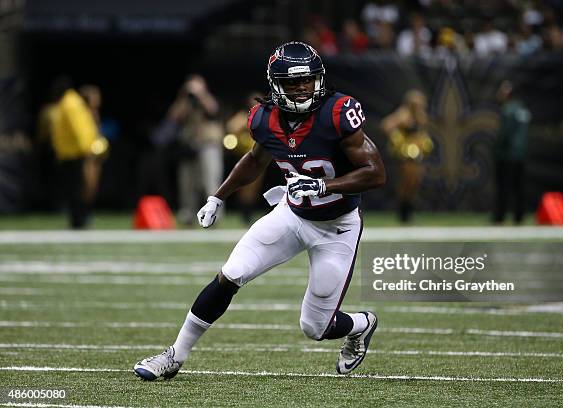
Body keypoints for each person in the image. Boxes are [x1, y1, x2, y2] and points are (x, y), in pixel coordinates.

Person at [133, 41, 386, 380]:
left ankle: (361, 324)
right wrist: (218, 196)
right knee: (231, 273)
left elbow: (376, 173)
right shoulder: (264, 119)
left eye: (308, 80)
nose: (302, 88)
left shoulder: (337, 113)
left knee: (315, 327)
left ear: (319, 79)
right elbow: (255, 159)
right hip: (292, 214)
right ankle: (174, 355)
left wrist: (325, 186)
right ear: (276, 85)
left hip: (336, 226)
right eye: (293, 82)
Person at [47, 76, 107, 229]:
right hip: (77, 153)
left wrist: (87, 148)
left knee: (80, 188)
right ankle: (80, 219)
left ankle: (80, 219)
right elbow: (79, 129)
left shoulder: (69, 103)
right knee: (79, 188)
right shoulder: (72, 103)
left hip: (75, 153)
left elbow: (78, 129)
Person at [169, 74, 224, 225]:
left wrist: (201, 94)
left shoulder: (208, 98)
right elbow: (174, 117)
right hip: (189, 146)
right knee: (187, 183)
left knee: (211, 182)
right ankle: (187, 214)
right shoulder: (185, 101)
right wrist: (183, 96)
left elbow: (213, 110)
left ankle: (214, 215)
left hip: (208, 145)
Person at [381, 89, 432, 222]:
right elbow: (386, 125)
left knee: (415, 182)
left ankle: (409, 210)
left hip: (418, 153)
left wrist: (423, 142)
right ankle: (403, 213)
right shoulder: (403, 114)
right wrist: (397, 140)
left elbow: (422, 131)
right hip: (406, 154)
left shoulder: (421, 115)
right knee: (406, 183)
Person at [224, 92, 266, 224]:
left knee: (255, 187)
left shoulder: (265, 115)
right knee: (244, 186)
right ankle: (244, 213)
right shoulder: (244, 116)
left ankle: (250, 211)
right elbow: (231, 127)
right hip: (245, 155)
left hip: (261, 156)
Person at [493, 80, 530, 225]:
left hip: (506, 155)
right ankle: (519, 216)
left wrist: (496, 148)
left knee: (503, 188)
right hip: (521, 155)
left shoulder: (507, 110)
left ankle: (500, 216)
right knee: (519, 188)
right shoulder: (523, 109)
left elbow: (505, 134)